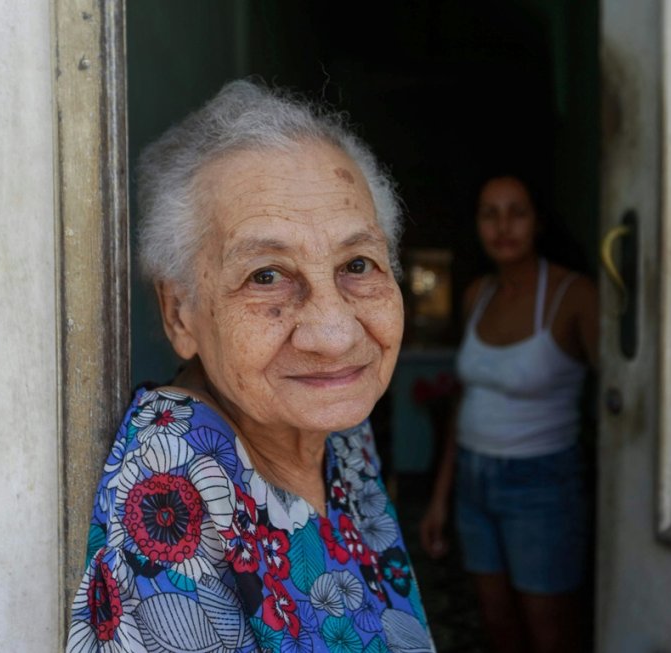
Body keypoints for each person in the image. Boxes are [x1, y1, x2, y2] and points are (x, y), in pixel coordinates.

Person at [66, 80, 435, 653]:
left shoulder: (338, 425)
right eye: (266, 275)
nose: (335, 336)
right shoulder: (171, 493)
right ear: (180, 314)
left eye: (358, 264)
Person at [419, 174, 598, 652]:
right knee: (498, 626)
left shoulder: (574, 296)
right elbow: (466, 400)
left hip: (542, 483)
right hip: (473, 483)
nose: (503, 226)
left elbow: (620, 404)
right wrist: (440, 496)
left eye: (516, 212)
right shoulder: (477, 294)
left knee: (550, 631)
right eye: (489, 213)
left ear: (538, 221)